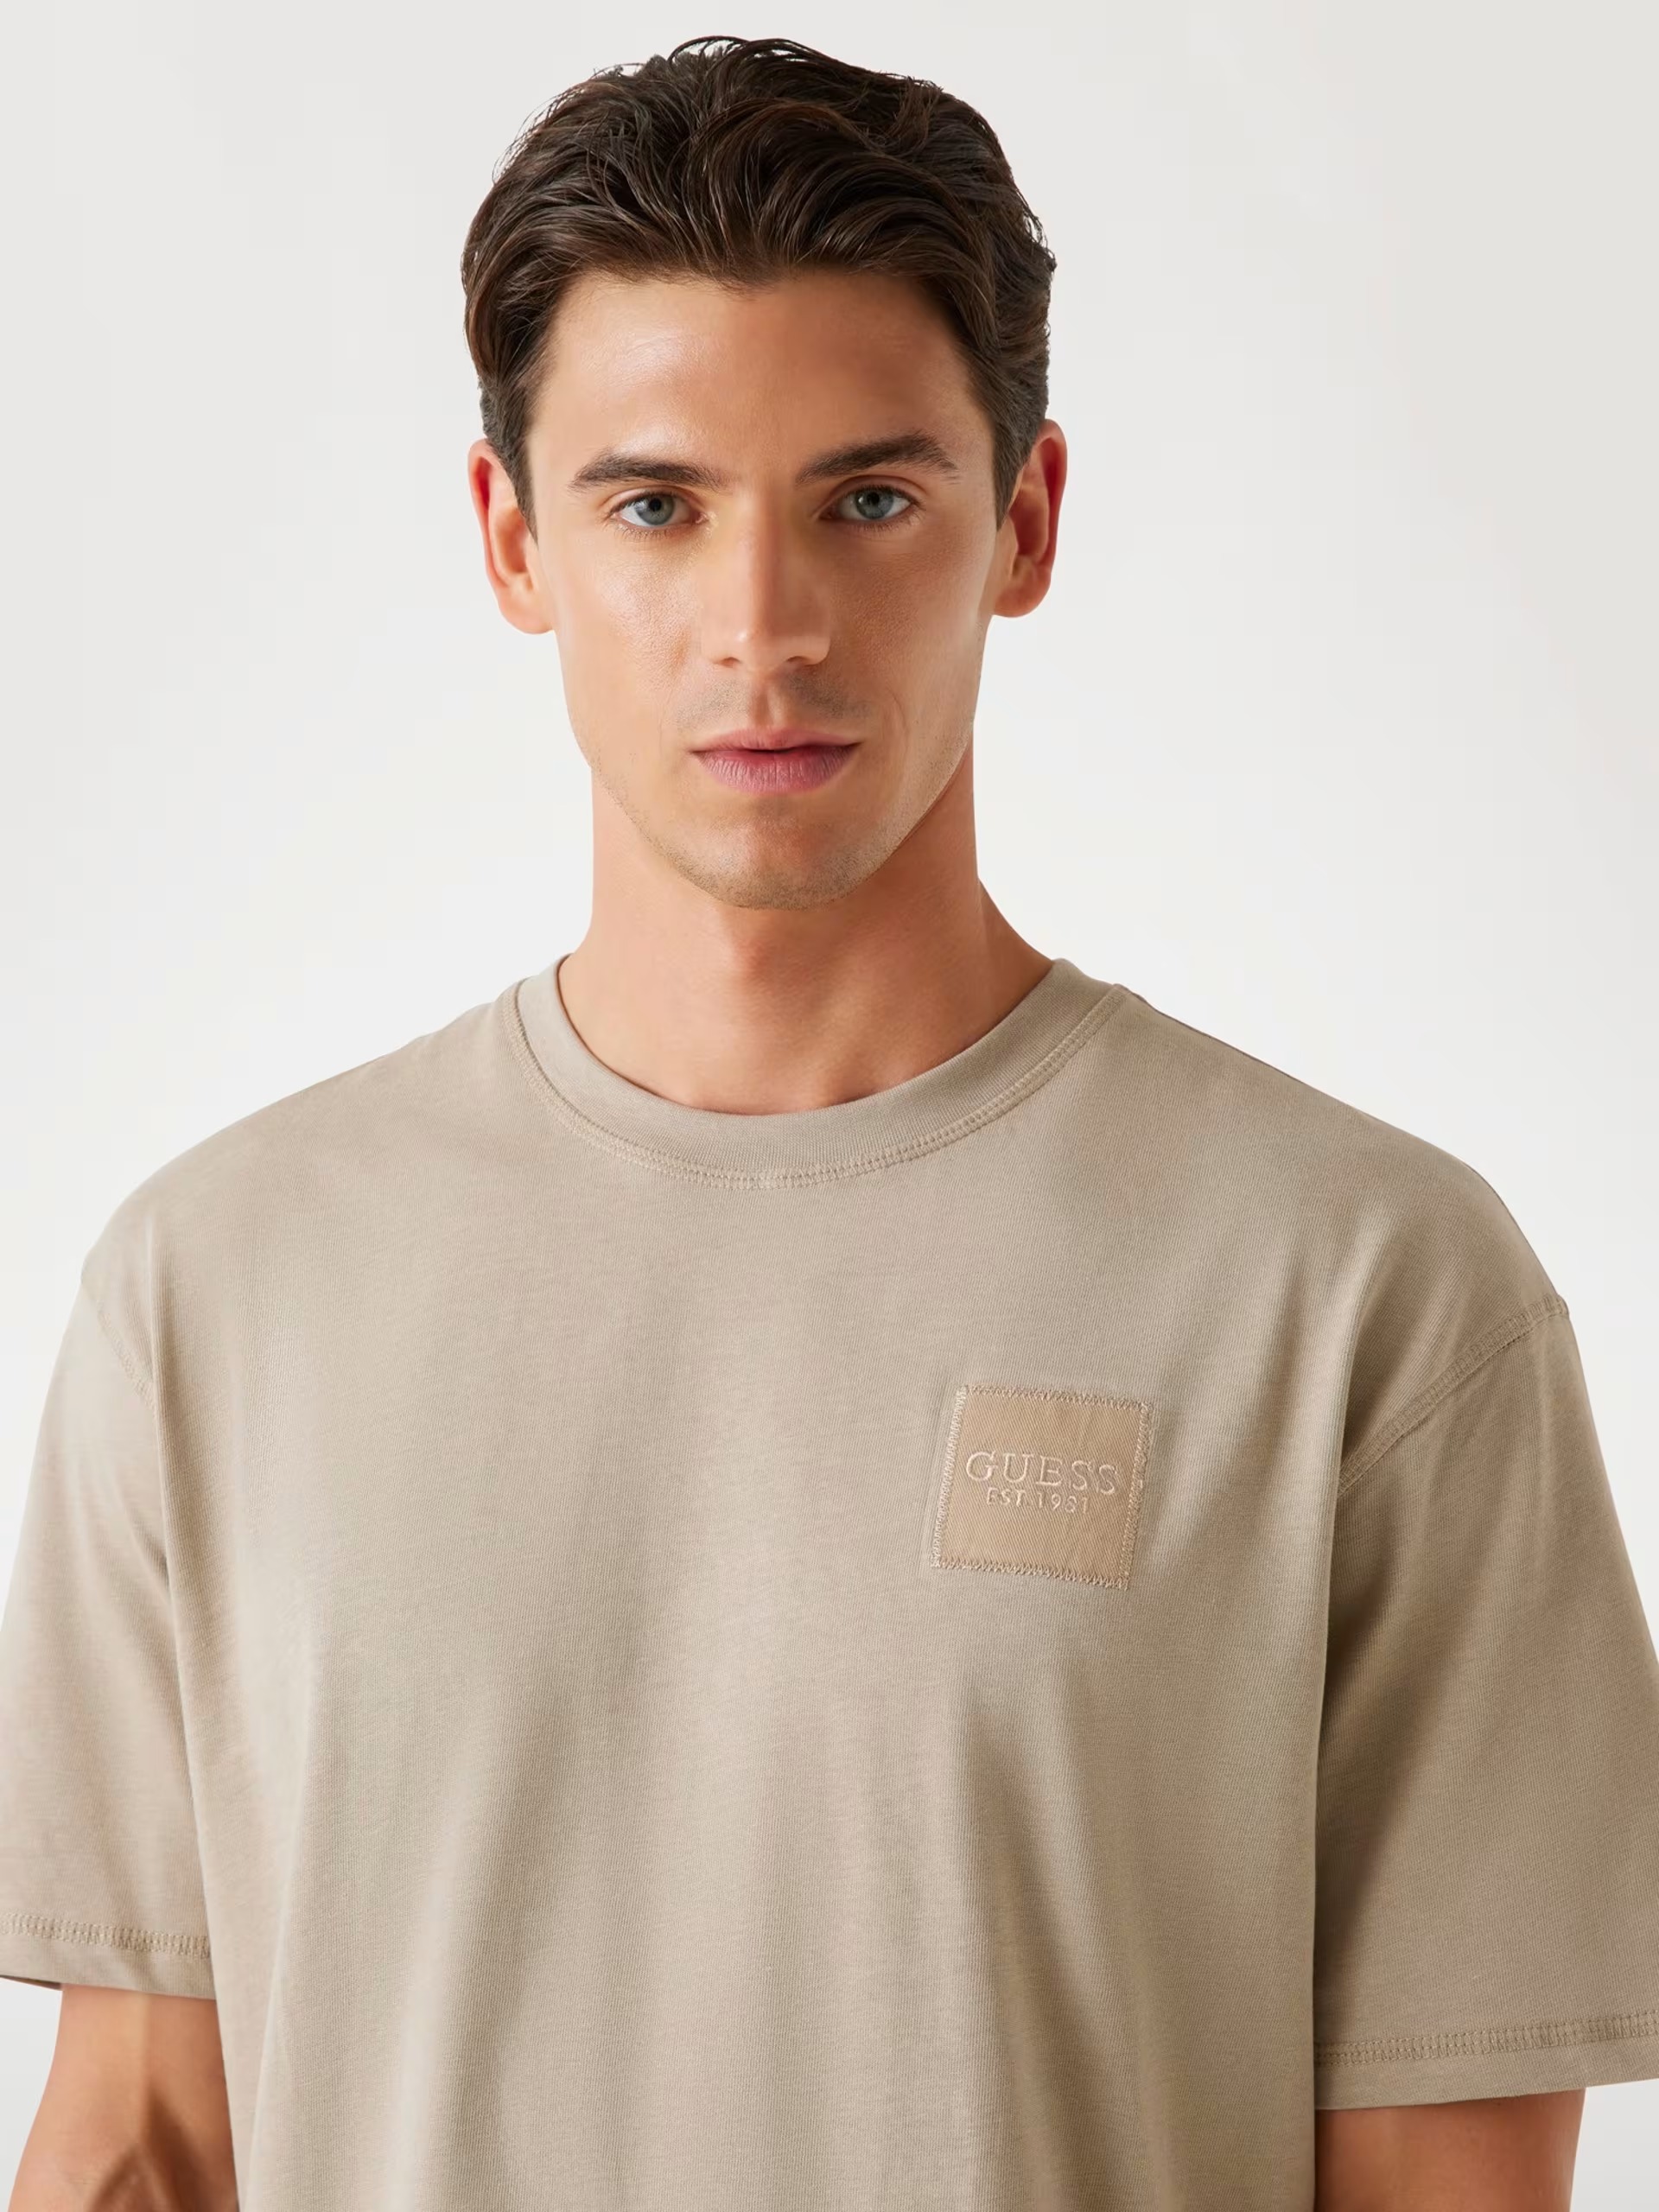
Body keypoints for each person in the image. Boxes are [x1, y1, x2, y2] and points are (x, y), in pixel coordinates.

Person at [2, 33, 1655, 2212]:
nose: (764, 628)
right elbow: (139, 2137)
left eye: (868, 500)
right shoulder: (213, 1293)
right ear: (511, 538)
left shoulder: (1367, 1294)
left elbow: (1450, 2187)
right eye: (655, 505)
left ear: (1023, 523)